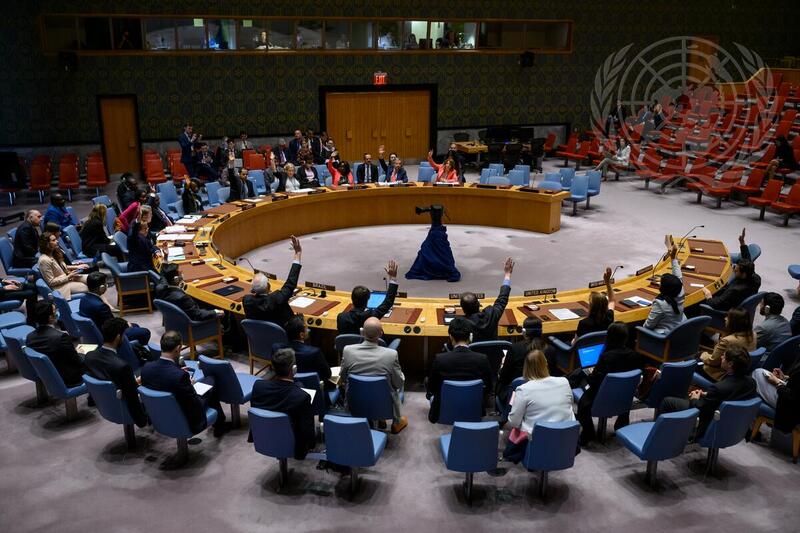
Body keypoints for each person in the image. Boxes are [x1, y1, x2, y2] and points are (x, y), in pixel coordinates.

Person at [140, 331, 229, 437]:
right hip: (185, 418)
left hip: (159, 416)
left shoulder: (146, 368)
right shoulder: (180, 376)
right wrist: (190, 386)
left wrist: (181, 375)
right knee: (211, 380)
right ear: (178, 349)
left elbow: (163, 380)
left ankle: (220, 423)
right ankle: (220, 425)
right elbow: (195, 406)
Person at [660, 345, 756, 439]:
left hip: (709, 424)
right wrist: (708, 394)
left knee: (668, 401)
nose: (721, 357)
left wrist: (694, 398)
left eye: (724, 356)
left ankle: (661, 437)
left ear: (730, 364)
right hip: (732, 426)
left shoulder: (719, 388)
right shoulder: (751, 383)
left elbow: (698, 410)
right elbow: (732, 396)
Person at [573, 322, 641, 445]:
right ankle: (622, 424)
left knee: (581, 377)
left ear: (609, 337)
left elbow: (594, 382)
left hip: (602, 396)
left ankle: (588, 433)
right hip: (624, 397)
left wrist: (589, 374)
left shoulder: (605, 357)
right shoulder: (634, 356)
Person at [502, 350, 575, 463]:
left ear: (526, 368)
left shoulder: (523, 389)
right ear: (546, 364)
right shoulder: (564, 382)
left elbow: (514, 423)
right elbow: (569, 405)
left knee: (515, 431)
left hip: (536, 443)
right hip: (565, 440)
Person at [340, 317, 408, 433]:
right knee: (397, 383)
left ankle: (377, 418)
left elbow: (343, 378)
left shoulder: (348, 351)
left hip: (356, 402)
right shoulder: (391, 355)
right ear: (381, 334)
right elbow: (398, 383)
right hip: (384, 405)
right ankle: (394, 421)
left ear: (362, 332)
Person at [250, 348, 316, 458]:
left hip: (263, 438)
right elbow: (307, 433)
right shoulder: (302, 396)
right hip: (293, 446)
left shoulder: (258, 386)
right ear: (293, 369)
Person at [427, 318, 494, 423]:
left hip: (444, 409)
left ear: (451, 337)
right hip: (473, 408)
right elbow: (489, 387)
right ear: (470, 337)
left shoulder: (440, 359)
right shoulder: (482, 359)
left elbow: (432, 387)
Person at [83, 318, 147, 428]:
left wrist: (131, 381)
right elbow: (133, 399)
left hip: (104, 403)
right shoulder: (122, 366)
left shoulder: (89, 356)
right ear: (118, 337)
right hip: (123, 407)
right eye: (124, 335)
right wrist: (143, 420)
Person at [243, 236, 302, 327]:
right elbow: (290, 283)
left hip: (259, 338)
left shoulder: (247, 300)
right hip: (283, 337)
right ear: (268, 287)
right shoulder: (276, 299)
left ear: (253, 290)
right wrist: (297, 253)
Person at [79, 271, 150, 346]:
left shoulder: (83, 299)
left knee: (135, 326)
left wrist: (125, 323)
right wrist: (125, 325)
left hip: (95, 332)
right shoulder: (101, 306)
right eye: (106, 284)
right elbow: (112, 326)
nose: (107, 286)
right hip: (108, 337)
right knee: (145, 332)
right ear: (102, 288)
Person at [25, 301, 84, 387]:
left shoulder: (29, 337)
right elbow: (77, 361)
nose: (57, 313)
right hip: (70, 379)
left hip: (48, 378)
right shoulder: (61, 337)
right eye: (55, 312)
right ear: (50, 318)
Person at [700, 228, 761, 312]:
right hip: (738, 299)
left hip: (727, 310)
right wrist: (742, 243)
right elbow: (748, 260)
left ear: (743, 274)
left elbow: (716, 304)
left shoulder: (734, 290)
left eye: (736, 271)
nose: (734, 270)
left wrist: (709, 296)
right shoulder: (755, 278)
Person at [498, 317, 558, 402]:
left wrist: (502, 366)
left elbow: (504, 377)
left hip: (518, 393)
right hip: (544, 393)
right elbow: (553, 374)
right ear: (541, 332)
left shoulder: (515, 349)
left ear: (524, 332)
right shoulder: (551, 350)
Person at [336, 260, 398, 335]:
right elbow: (388, 302)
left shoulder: (341, 317)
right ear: (367, 300)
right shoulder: (370, 316)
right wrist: (392, 278)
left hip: (346, 346)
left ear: (352, 299)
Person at [459, 258, 514, 342]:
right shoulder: (491, 315)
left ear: (462, 309)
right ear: (479, 304)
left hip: (474, 355)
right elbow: (502, 299)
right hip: (493, 355)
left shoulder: (460, 324)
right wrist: (507, 274)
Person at [698, 307, 757, 382]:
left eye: (728, 317)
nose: (725, 319)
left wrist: (703, 354)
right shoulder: (753, 334)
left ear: (734, 322)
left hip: (720, 374)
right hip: (740, 372)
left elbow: (713, 361)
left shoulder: (728, 340)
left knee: (694, 359)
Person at [752, 350, 800, 436]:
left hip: (790, 408)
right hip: (790, 395)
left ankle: (748, 425)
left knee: (757, 373)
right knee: (760, 373)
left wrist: (777, 383)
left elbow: (792, 397)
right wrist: (784, 378)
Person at [155, 264, 224, 322]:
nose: (182, 273)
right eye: (180, 273)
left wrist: (165, 258)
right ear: (176, 279)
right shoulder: (183, 298)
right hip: (190, 324)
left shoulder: (160, 287)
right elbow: (198, 315)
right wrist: (215, 312)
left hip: (173, 319)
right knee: (221, 311)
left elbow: (163, 274)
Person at [275, 314, 332, 384]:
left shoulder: (277, 348)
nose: (308, 329)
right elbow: (327, 375)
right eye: (306, 328)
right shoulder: (315, 352)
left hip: (288, 385)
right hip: (313, 388)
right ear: (301, 335)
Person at [642, 242, 685, 334]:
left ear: (664, 288)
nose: (659, 284)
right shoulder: (680, 292)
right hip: (679, 331)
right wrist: (673, 258)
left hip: (664, 338)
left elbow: (647, 326)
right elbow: (678, 277)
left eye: (660, 283)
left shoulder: (660, 304)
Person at [37, 232, 89, 299]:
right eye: (53, 240)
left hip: (69, 278)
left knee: (94, 280)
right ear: (46, 244)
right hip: (62, 286)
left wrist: (77, 267)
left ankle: (105, 305)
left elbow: (61, 267)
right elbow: (51, 282)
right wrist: (68, 277)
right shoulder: (44, 260)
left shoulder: (54, 253)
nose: (57, 241)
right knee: (89, 287)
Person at [576, 268, 615, 338]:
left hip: (587, 348)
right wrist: (607, 282)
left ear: (591, 306)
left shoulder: (583, 323)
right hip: (604, 347)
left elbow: (575, 343)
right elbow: (612, 300)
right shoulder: (609, 317)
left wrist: (573, 340)